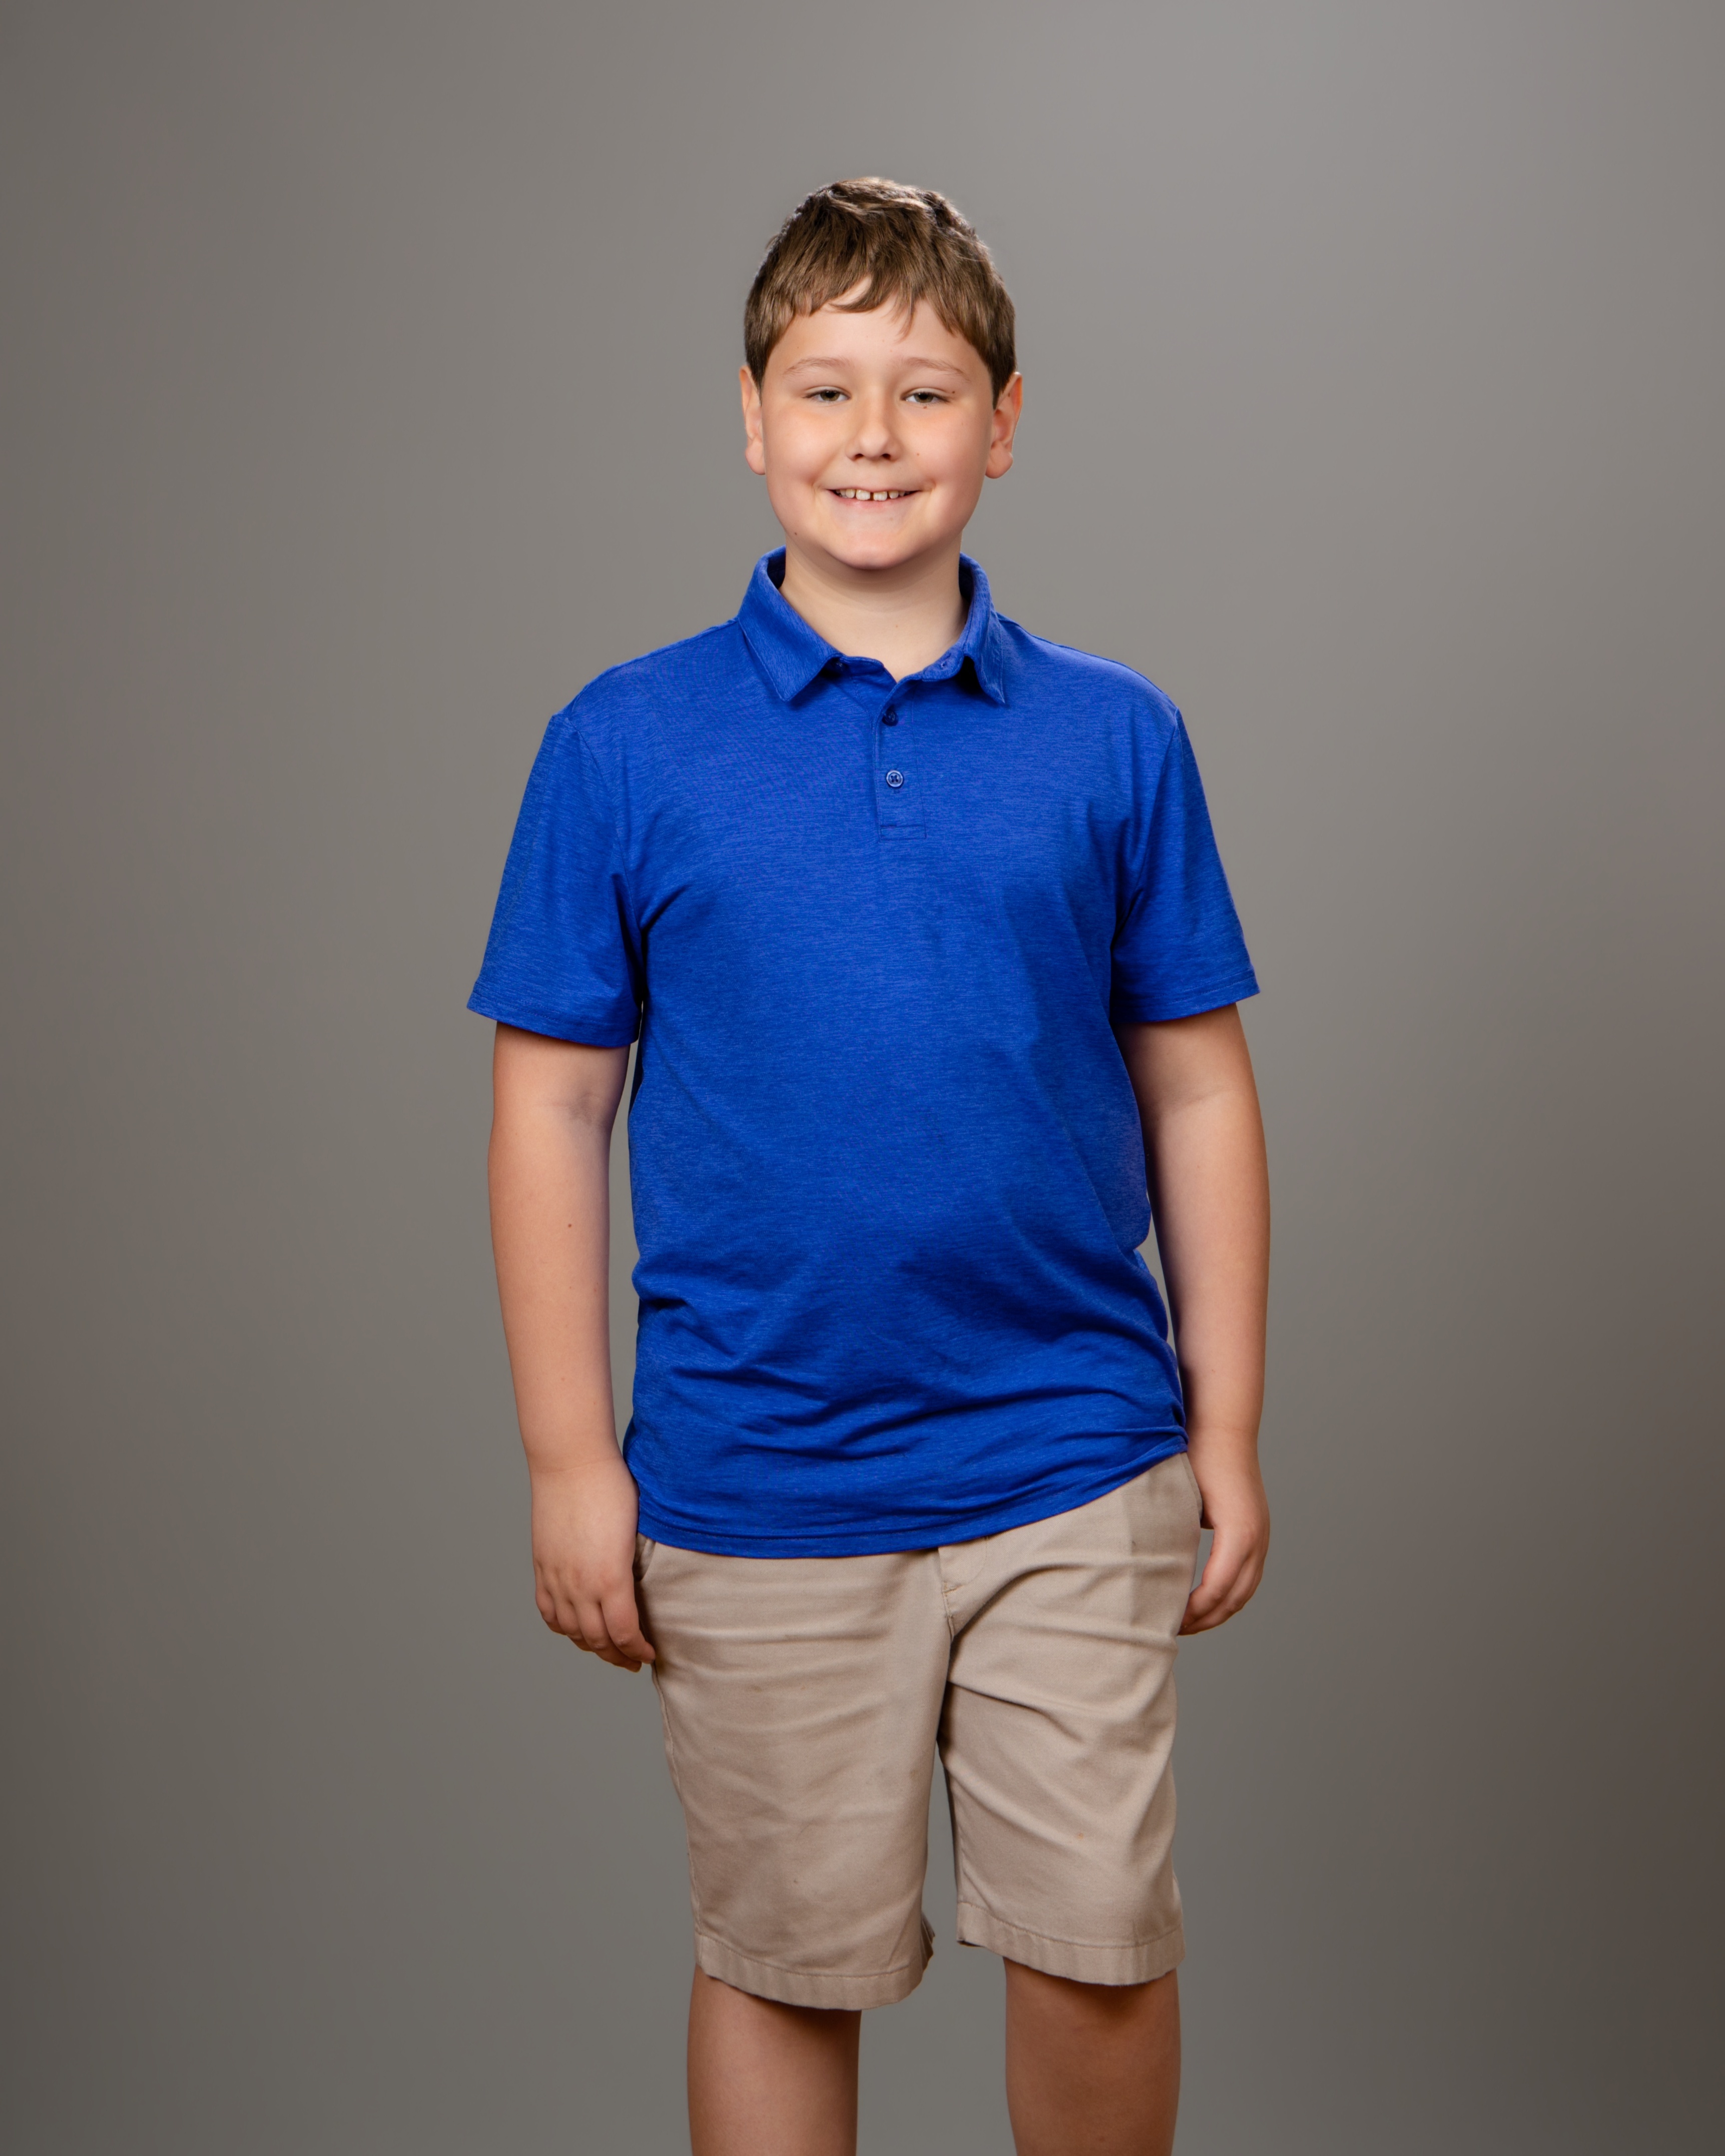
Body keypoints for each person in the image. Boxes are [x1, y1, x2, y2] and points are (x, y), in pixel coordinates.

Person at [470, 177, 1270, 2156]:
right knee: (783, 1961)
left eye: (925, 392)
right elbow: (552, 1107)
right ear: (751, 418)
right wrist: (569, 1458)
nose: (873, 435)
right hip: (759, 1466)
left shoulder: (1116, 738)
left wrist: (1227, 1428)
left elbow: (1196, 1091)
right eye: (825, 389)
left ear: (1005, 422)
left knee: (1099, 1940)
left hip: (1071, 1447)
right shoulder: (623, 743)